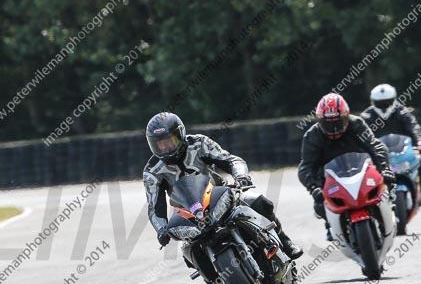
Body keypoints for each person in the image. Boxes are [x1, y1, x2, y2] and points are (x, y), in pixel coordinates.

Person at [143, 112, 303, 259]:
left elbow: (231, 160)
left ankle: (286, 243)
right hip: (189, 214)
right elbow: (154, 206)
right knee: (189, 251)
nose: (164, 148)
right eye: (159, 144)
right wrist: (161, 229)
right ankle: (215, 278)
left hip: (219, 196)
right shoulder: (152, 171)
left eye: (169, 142)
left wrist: (241, 176)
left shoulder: (199, 143)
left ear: (180, 135)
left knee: (259, 202)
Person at [298, 93, 393, 240]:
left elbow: (375, 147)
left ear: (347, 116)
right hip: (329, 178)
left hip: (360, 169)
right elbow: (305, 166)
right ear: (319, 121)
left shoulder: (357, 124)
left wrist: (385, 168)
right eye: (328, 123)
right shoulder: (312, 135)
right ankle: (331, 224)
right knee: (319, 205)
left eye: (338, 122)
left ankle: (386, 215)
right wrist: (313, 188)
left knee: (387, 185)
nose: (334, 128)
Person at [360, 84, 421, 205]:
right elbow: (360, 137)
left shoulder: (402, 112)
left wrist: (419, 142)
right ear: (373, 101)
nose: (383, 106)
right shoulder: (366, 117)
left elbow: (414, 127)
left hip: (402, 152)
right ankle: (369, 199)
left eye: (387, 102)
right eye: (380, 103)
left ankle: (419, 195)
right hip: (377, 157)